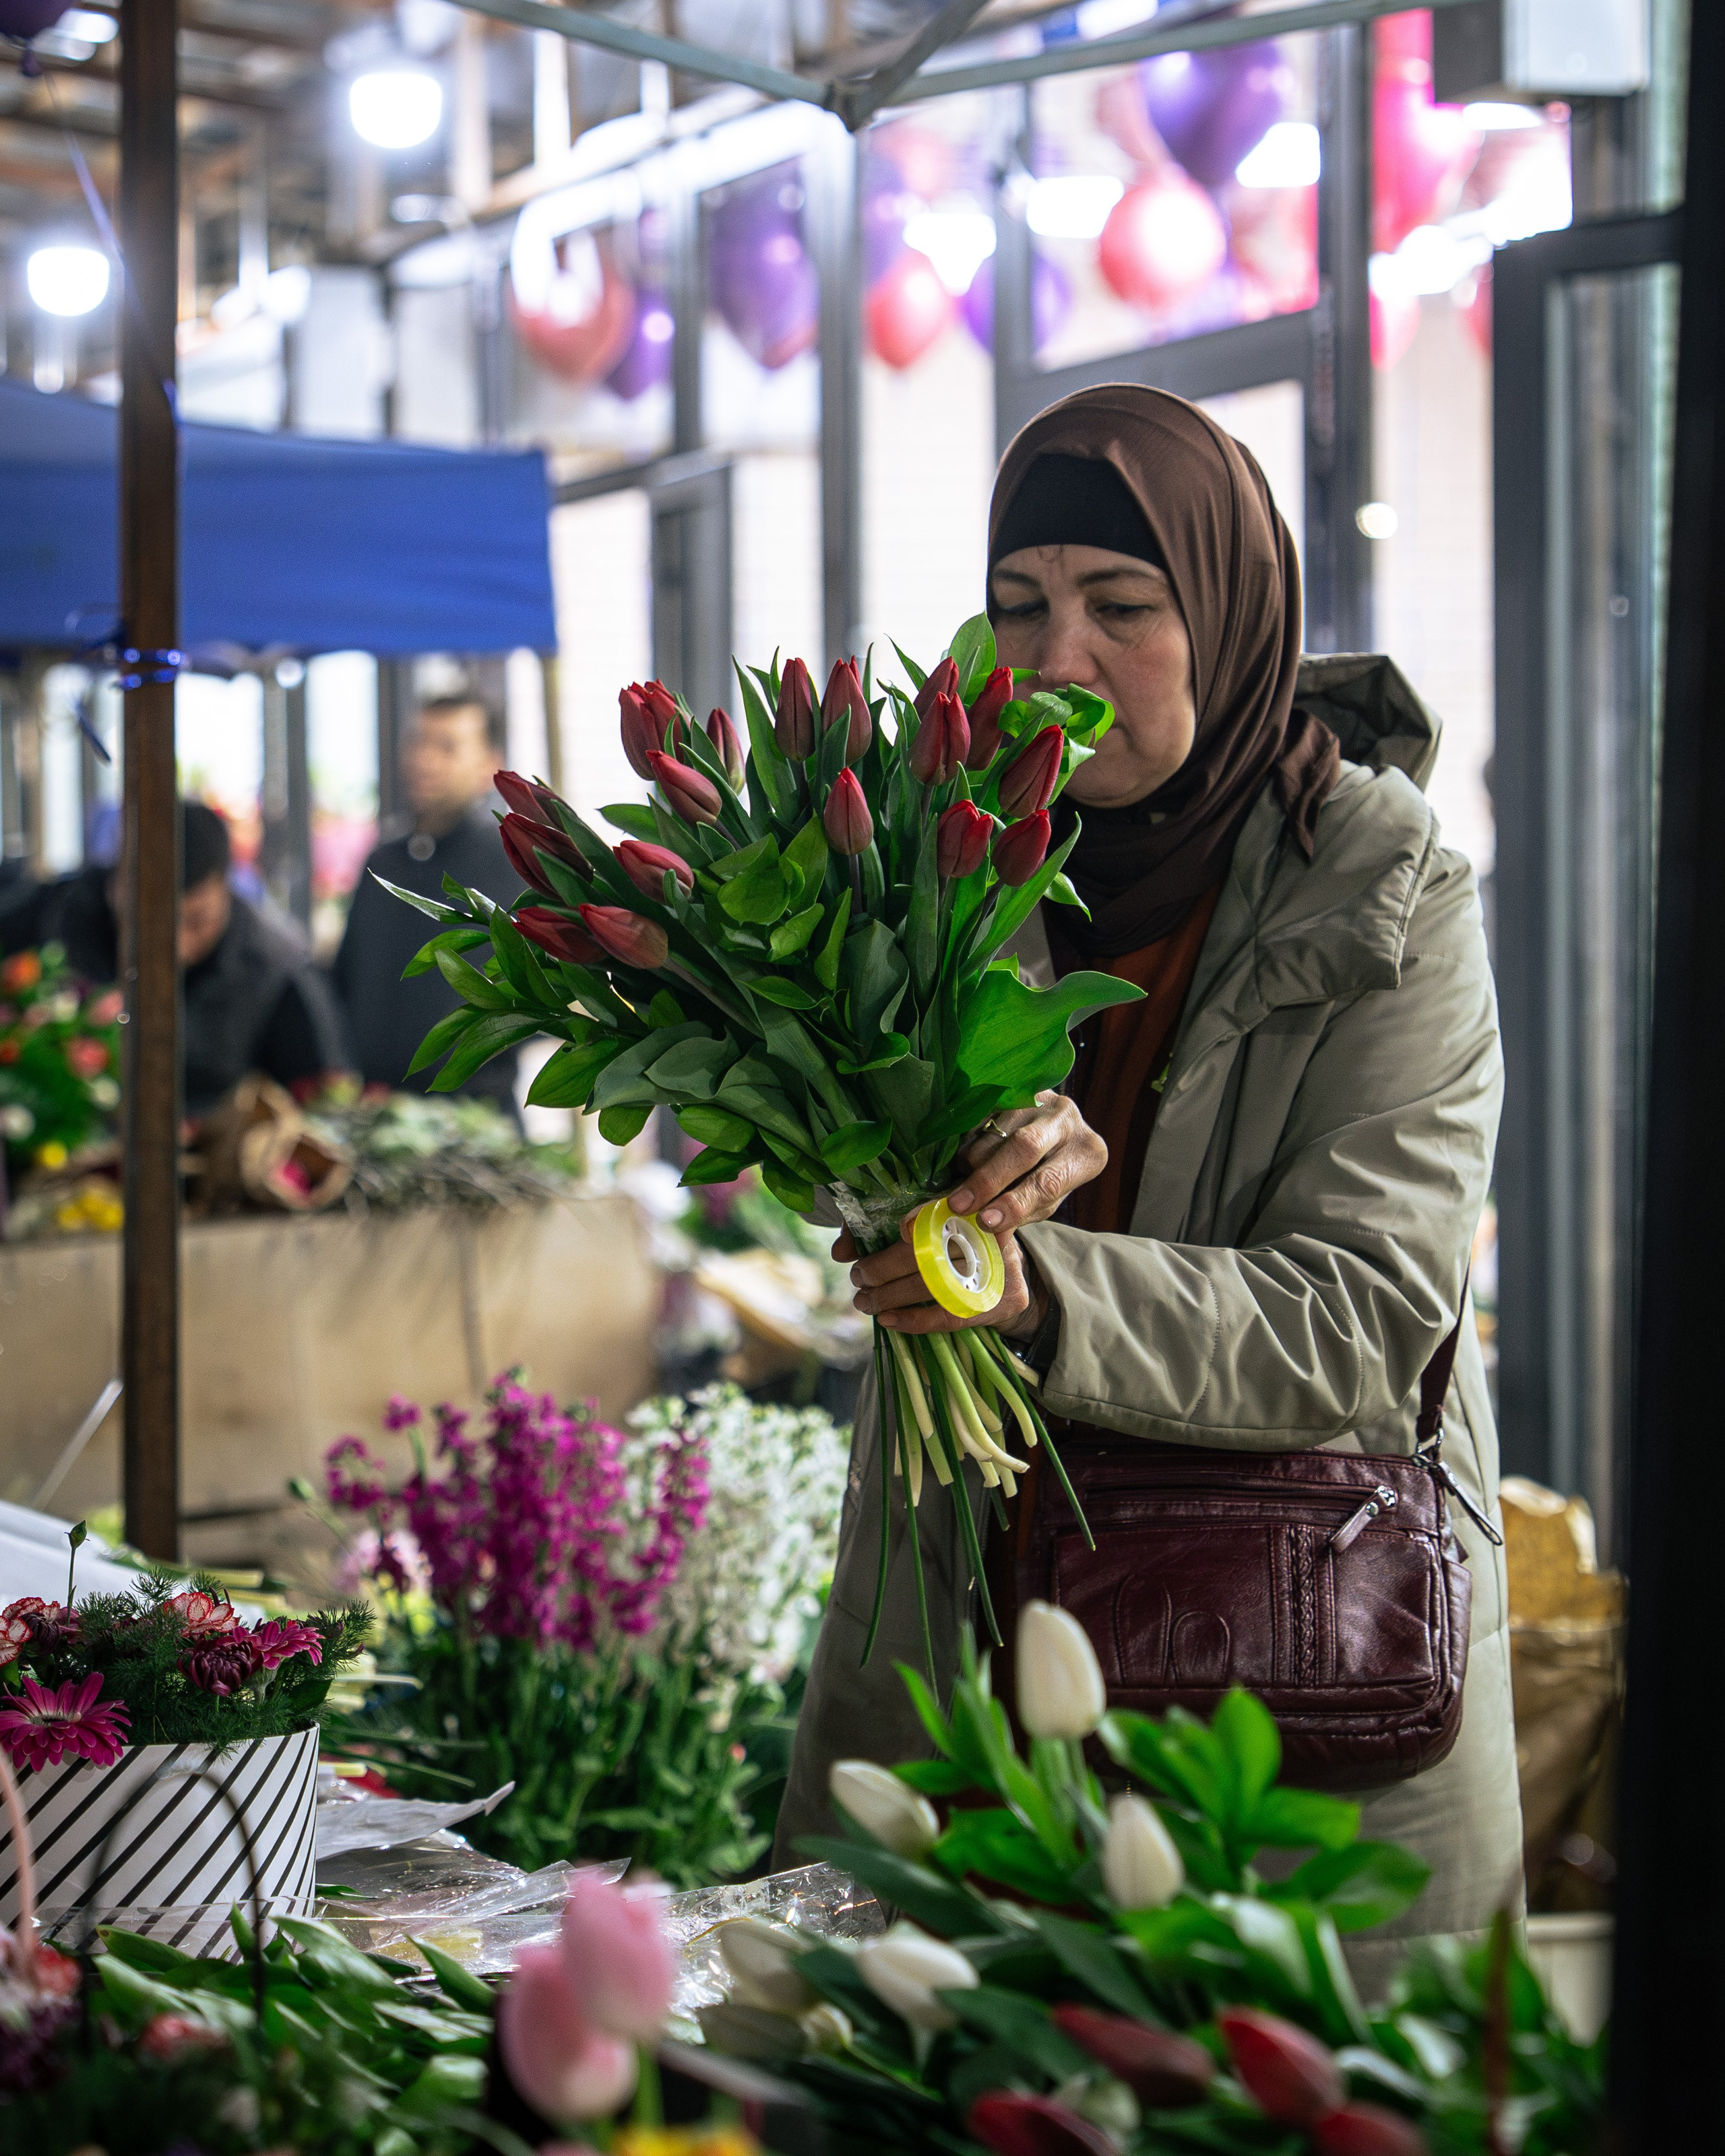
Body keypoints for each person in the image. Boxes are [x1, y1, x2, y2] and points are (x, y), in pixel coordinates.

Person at [776, 385, 1520, 1993]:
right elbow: (872, 1186)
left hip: (1287, 1674)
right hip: (963, 1635)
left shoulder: (1387, 900)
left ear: (1232, 615)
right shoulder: (932, 867)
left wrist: (1041, 1286)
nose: (1057, 663)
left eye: (1123, 607)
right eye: (1018, 607)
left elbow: (1364, 1320)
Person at [0, 800, 348, 1118]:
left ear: (226, 890)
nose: (176, 948)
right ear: (116, 882)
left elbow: (322, 1099)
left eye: (198, 922)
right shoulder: (50, 918)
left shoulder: (276, 966)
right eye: (149, 923)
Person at [332, 695, 524, 1120]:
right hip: (378, 1116)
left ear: (488, 766)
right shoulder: (384, 861)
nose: (425, 760)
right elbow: (346, 979)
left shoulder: (512, 862)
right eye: (419, 742)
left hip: (478, 1122)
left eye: (447, 746)